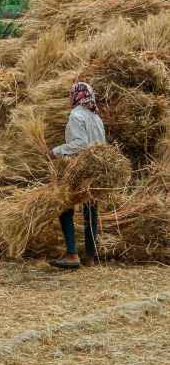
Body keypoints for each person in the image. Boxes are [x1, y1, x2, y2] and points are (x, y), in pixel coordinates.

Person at [48, 82, 106, 270]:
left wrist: (56, 151)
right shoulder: (96, 117)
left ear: (76, 96)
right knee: (91, 210)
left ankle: (72, 254)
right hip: (96, 168)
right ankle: (91, 257)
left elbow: (79, 144)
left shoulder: (76, 115)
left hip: (80, 169)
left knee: (64, 206)